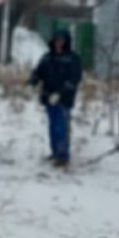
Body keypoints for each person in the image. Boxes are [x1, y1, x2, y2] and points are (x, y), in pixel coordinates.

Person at [28, 28, 83, 168]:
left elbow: (74, 79)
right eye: (57, 40)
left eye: (62, 40)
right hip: (48, 98)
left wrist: (60, 93)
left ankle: (63, 156)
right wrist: (32, 81)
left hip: (64, 100)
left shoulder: (73, 59)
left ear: (66, 42)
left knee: (61, 127)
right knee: (52, 127)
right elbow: (39, 72)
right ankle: (55, 152)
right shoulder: (47, 57)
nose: (59, 43)